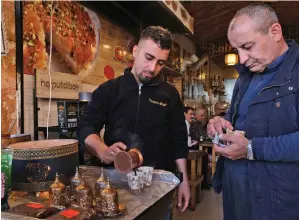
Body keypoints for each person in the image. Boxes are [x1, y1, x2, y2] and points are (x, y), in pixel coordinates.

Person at [77, 26, 190, 213]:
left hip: (157, 185)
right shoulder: (109, 90)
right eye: (149, 58)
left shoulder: (169, 94)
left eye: (161, 63)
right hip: (116, 184)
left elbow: (179, 141)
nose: (153, 68)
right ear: (135, 51)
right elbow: (86, 126)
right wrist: (102, 151)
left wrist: (183, 181)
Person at [207, 3, 299, 220]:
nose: (242, 59)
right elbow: (236, 118)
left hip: (278, 204)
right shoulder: (246, 78)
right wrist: (221, 122)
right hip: (236, 195)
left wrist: (251, 148)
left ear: (275, 32)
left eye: (247, 47)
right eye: (237, 50)